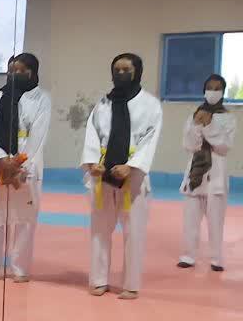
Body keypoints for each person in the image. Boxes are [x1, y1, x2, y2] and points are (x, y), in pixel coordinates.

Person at [81, 54, 163, 300]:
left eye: (127, 69)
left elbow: (150, 139)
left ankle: (131, 284)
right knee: (99, 230)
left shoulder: (150, 104)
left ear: (138, 72)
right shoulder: (103, 104)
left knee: (134, 232)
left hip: (133, 176)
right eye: (116, 69)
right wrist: (92, 162)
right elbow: (92, 133)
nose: (121, 74)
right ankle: (98, 280)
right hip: (103, 173)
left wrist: (132, 166)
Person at [0, 53, 51, 283]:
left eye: (20, 70)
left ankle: (20, 268)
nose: (14, 74)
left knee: (24, 218)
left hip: (25, 163)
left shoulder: (41, 98)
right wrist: (1, 159)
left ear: (32, 72)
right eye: (11, 70)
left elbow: (38, 135)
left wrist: (19, 163)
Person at [179, 74, 235, 272]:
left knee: (216, 220)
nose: (213, 91)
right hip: (196, 172)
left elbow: (224, 147)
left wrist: (209, 125)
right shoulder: (194, 115)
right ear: (204, 90)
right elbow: (189, 145)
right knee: (190, 219)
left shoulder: (228, 118)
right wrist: (197, 125)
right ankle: (188, 255)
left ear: (223, 92)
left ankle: (216, 259)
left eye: (217, 88)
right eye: (210, 87)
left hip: (216, 174)